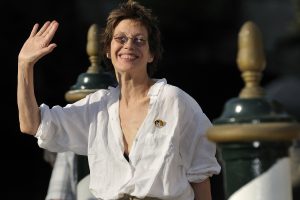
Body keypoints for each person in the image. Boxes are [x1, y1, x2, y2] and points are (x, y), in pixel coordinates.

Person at [17, 1, 221, 199]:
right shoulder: (96, 108)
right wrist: (25, 65)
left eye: (139, 40)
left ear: (151, 54)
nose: (129, 45)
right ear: (108, 49)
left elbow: (200, 177)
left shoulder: (175, 102)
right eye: (120, 38)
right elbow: (32, 124)